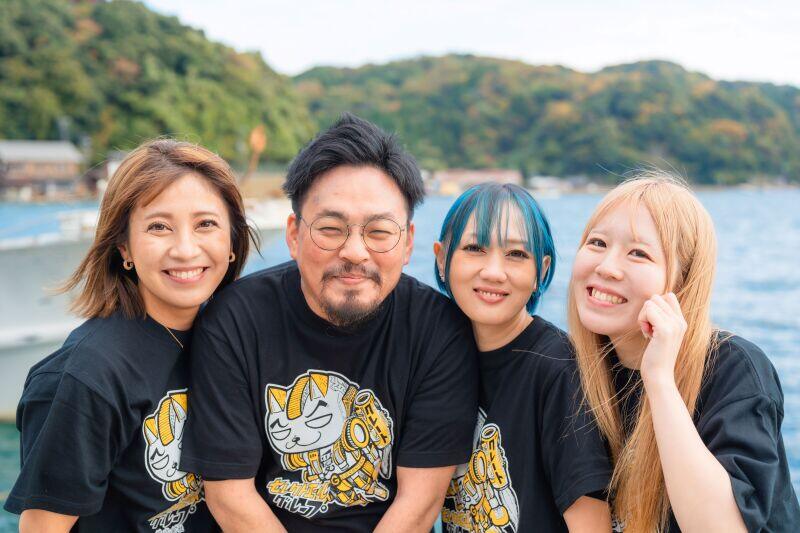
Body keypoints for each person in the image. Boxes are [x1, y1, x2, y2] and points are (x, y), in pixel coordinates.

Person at [180, 113, 479, 532]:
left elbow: (418, 504)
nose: (355, 252)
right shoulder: (235, 320)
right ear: (294, 235)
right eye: (331, 228)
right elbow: (231, 497)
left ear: (408, 242)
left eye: (379, 232)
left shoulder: (438, 331)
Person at [4, 139, 256, 532]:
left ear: (232, 241)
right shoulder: (89, 375)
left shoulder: (233, 339)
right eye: (159, 227)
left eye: (205, 224)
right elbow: (42, 527)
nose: (185, 249)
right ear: (124, 246)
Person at [568, 172, 800, 532]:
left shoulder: (733, 368)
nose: (607, 267)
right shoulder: (575, 368)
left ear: (682, 281)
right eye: (597, 243)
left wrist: (660, 380)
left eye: (638, 253)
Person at [433, 183, 613, 533]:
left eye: (516, 254)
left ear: (541, 271)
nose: (493, 272)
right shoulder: (435, 355)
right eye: (474, 248)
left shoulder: (559, 368)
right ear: (442, 258)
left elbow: (592, 525)